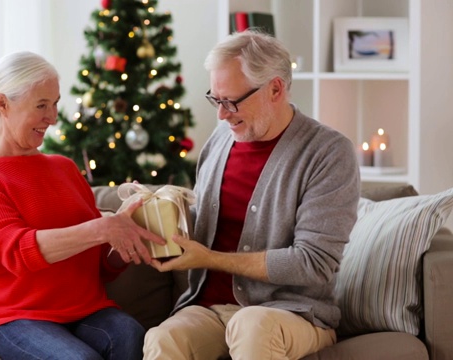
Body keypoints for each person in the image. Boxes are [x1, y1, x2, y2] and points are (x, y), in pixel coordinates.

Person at [143, 30, 360, 360]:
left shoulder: (328, 153)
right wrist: (151, 209)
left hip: (292, 313)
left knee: (252, 325)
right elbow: (204, 222)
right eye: (216, 100)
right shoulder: (219, 142)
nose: (221, 114)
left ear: (275, 88)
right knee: (163, 339)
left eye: (230, 101)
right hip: (210, 310)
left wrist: (211, 259)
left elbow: (313, 263)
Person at [0, 51, 166, 360]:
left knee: (133, 336)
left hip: (86, 310)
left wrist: (124, 239)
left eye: (55, 103)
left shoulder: (63, 167)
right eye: (41, 105)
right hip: (16, 315)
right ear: (3, 104)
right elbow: (13, 252)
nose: (52, 117)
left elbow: (99, 262)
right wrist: (99, 228)